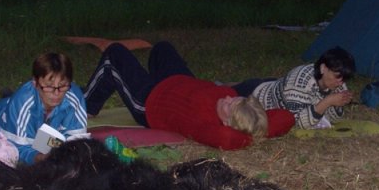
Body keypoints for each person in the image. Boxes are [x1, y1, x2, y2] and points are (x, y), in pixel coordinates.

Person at [83, 41, 295, 150]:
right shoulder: (241, 112)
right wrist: (259, 130)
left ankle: (86, 105)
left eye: (230, 105)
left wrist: (246, 137)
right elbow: (286, 117)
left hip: (151, 101)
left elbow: (227, 139)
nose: (229, 97)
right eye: (234, 98)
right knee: (162, 48)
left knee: (115, 54)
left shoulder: (204, 126)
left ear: (227, 123)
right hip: (180, 80)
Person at [0, 52, 88, 164]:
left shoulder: (74, 96)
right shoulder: (23, 103)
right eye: (49, 86)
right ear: (35, 83)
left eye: (62, 86)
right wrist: (39, 158)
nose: (56, 93)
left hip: (41, 134)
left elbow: (77, 141)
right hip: (1, 118)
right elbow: (17, 149)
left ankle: (8, 96)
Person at [231, 47, 356, 129]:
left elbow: (332, 119)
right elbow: (296, 122)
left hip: (277, 85)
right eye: (337, 76)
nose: (341, 82)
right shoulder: (300, 80)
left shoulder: (337, 83)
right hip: (257, 93)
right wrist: (328, 101)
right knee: (225, 91)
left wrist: (338, 104)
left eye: (344, 78)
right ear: (323, 68)